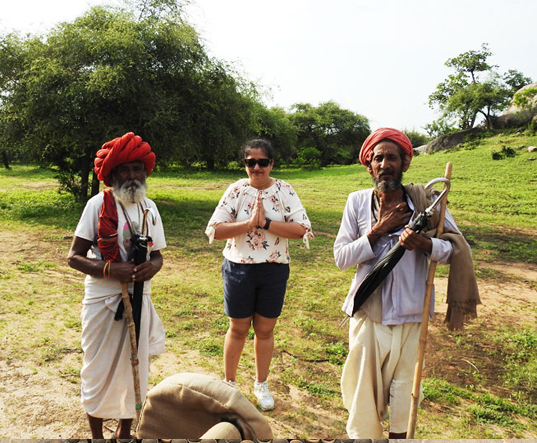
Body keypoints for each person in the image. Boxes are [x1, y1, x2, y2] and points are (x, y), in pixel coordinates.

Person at [333, 127, 479, 438]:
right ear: (369, 166)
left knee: (404, 392)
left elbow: (455, 249)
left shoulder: (427, 203)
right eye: (378, 158)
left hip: (413, 314)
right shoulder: (357, 202)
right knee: (362, 392)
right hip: (367, 314)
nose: (385, 164)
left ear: (405, 163)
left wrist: (425, 245)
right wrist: (376, 231)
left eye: (392, 158)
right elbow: (341, 257)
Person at [67, 132, 166, 439]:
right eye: (125, 169)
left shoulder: (149, 207)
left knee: (133, 366)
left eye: (138, 168)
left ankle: (124, 433)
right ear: (112, 175)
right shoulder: (98, 204)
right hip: (103, 300)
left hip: (139, 298)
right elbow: (74, 257)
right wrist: (111, 268)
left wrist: (152, 266)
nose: (133, 175)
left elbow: (159, 255)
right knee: (97, 368)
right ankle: (97, 435)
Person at [205, 139, 313, 411]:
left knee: (265, 330)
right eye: (250, 162)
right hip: (238, 268)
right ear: (244, 165)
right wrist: (247, 224)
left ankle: (261, 384)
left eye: (262, 162)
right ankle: (229, 384)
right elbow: (215, 230)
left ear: (271, 164)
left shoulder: (285, 191)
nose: (256, 167)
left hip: (274, 268)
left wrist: (265, 223)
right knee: (238, 328)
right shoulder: (236, 190)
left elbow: (301, 230)